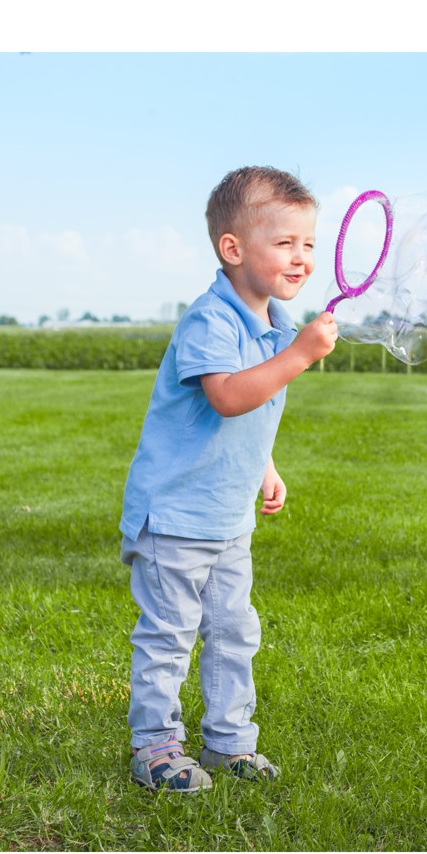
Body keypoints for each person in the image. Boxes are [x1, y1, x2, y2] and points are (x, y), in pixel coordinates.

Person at [120, 166, 339, 792]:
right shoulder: (211, 320)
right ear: (233, 248)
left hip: (226, 518)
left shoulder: (273, 324)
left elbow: (251, 411)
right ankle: (155, 746)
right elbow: (227, 395)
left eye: (308, 244)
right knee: (169, 636)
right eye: (285, 243)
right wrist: (299, 356)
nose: (301, 258)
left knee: (234, 633)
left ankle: (229, 742)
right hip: (176, 516)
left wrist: (264, 466)